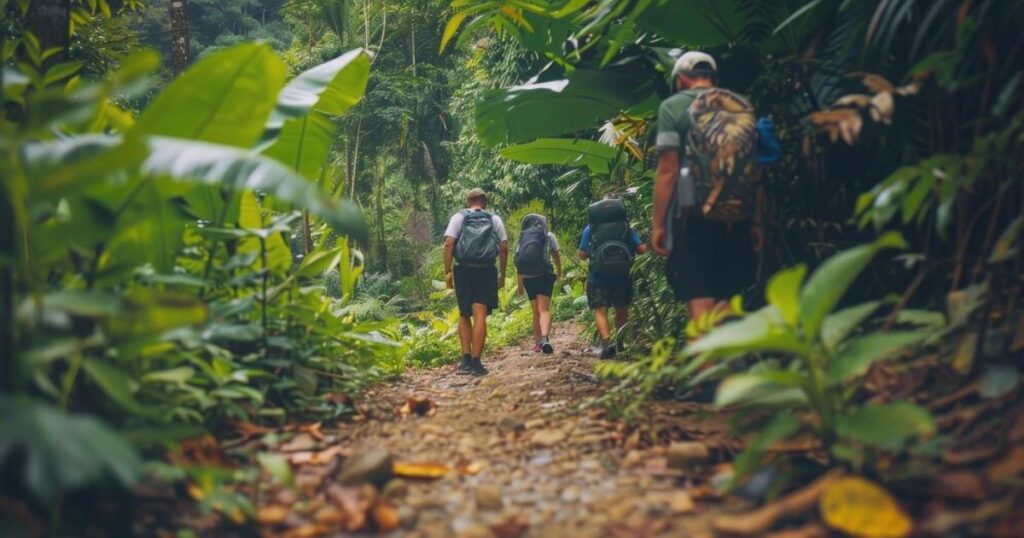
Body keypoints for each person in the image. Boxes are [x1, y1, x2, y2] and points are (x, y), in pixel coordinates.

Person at [650, 51, 765, 327]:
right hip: (736, 217)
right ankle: (727, 367)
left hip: (693, 219)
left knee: (700, 306)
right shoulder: (741, 105)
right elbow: (756, 167)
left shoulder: (673, 107)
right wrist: (757, 221)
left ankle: (708, 367)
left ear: (681, 79)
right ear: (713, 77)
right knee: (726, 301)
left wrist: (658, 225)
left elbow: (668, 169)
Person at [444, 188, 509, 375]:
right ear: (484, 202)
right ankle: (476, 362)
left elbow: (449, 243)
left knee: (464, 314)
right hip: (486, 270)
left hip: (463, 269)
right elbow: (504, 248)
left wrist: (448, 272)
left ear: (468, 201)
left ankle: (464, 361)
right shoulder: (494, 219)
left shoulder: (458, 217)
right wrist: (502, 275)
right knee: (480, 314)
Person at [578, 198, 648, 358]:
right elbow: (642, 249)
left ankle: (606, 342)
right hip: (622, 277)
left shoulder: (590, 229)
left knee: (600, 310)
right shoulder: (625, 228)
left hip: (597, 277)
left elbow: (582, 254)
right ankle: (621, 343)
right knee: (621, 309)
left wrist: (592, 250)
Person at [514, 214, 563, 354]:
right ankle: (544, 338)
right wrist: (559, 273)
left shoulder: (522, 237)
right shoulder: (549, 235)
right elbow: (556, 256)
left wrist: (520, 285)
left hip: (528, 277)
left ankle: (537, 344)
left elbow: (519, 262)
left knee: (535, 312)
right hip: (545, 274)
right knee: (544, 310)